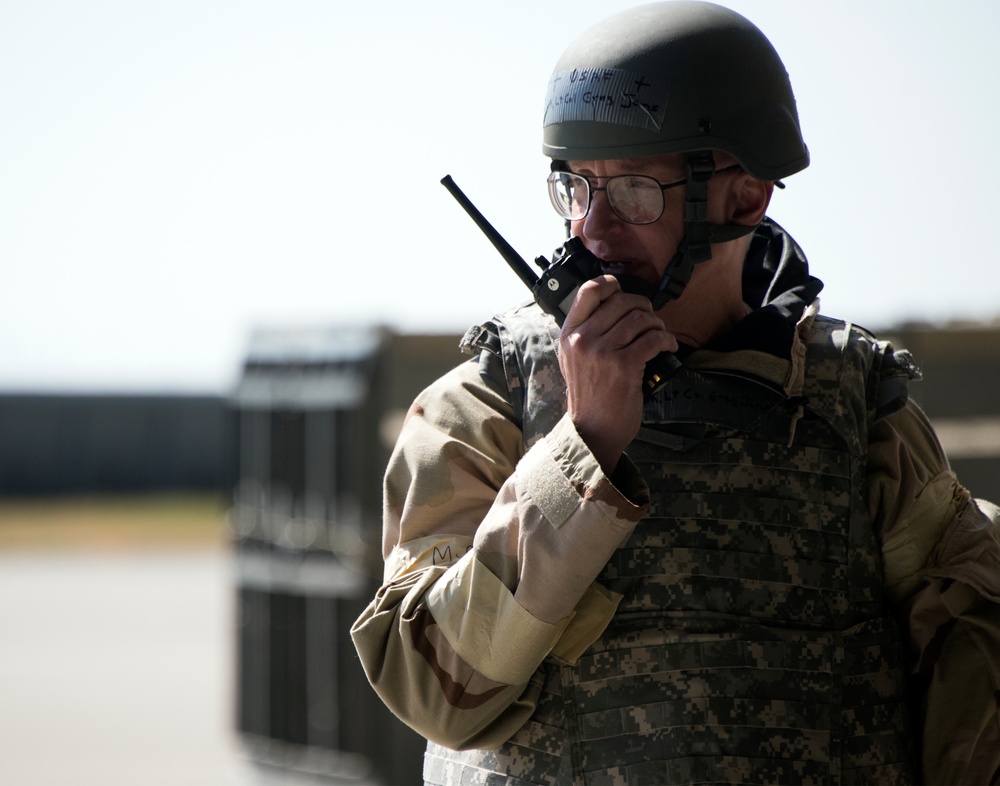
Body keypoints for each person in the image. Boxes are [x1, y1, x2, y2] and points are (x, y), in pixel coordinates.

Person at [351, 2, 1000, 783]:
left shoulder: (858, 410)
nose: (590, 230)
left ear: (744, 197)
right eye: (574, 187)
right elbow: (431, 693)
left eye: (630, 191)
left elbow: (973, 682)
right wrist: (580, 449)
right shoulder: (483, 407)